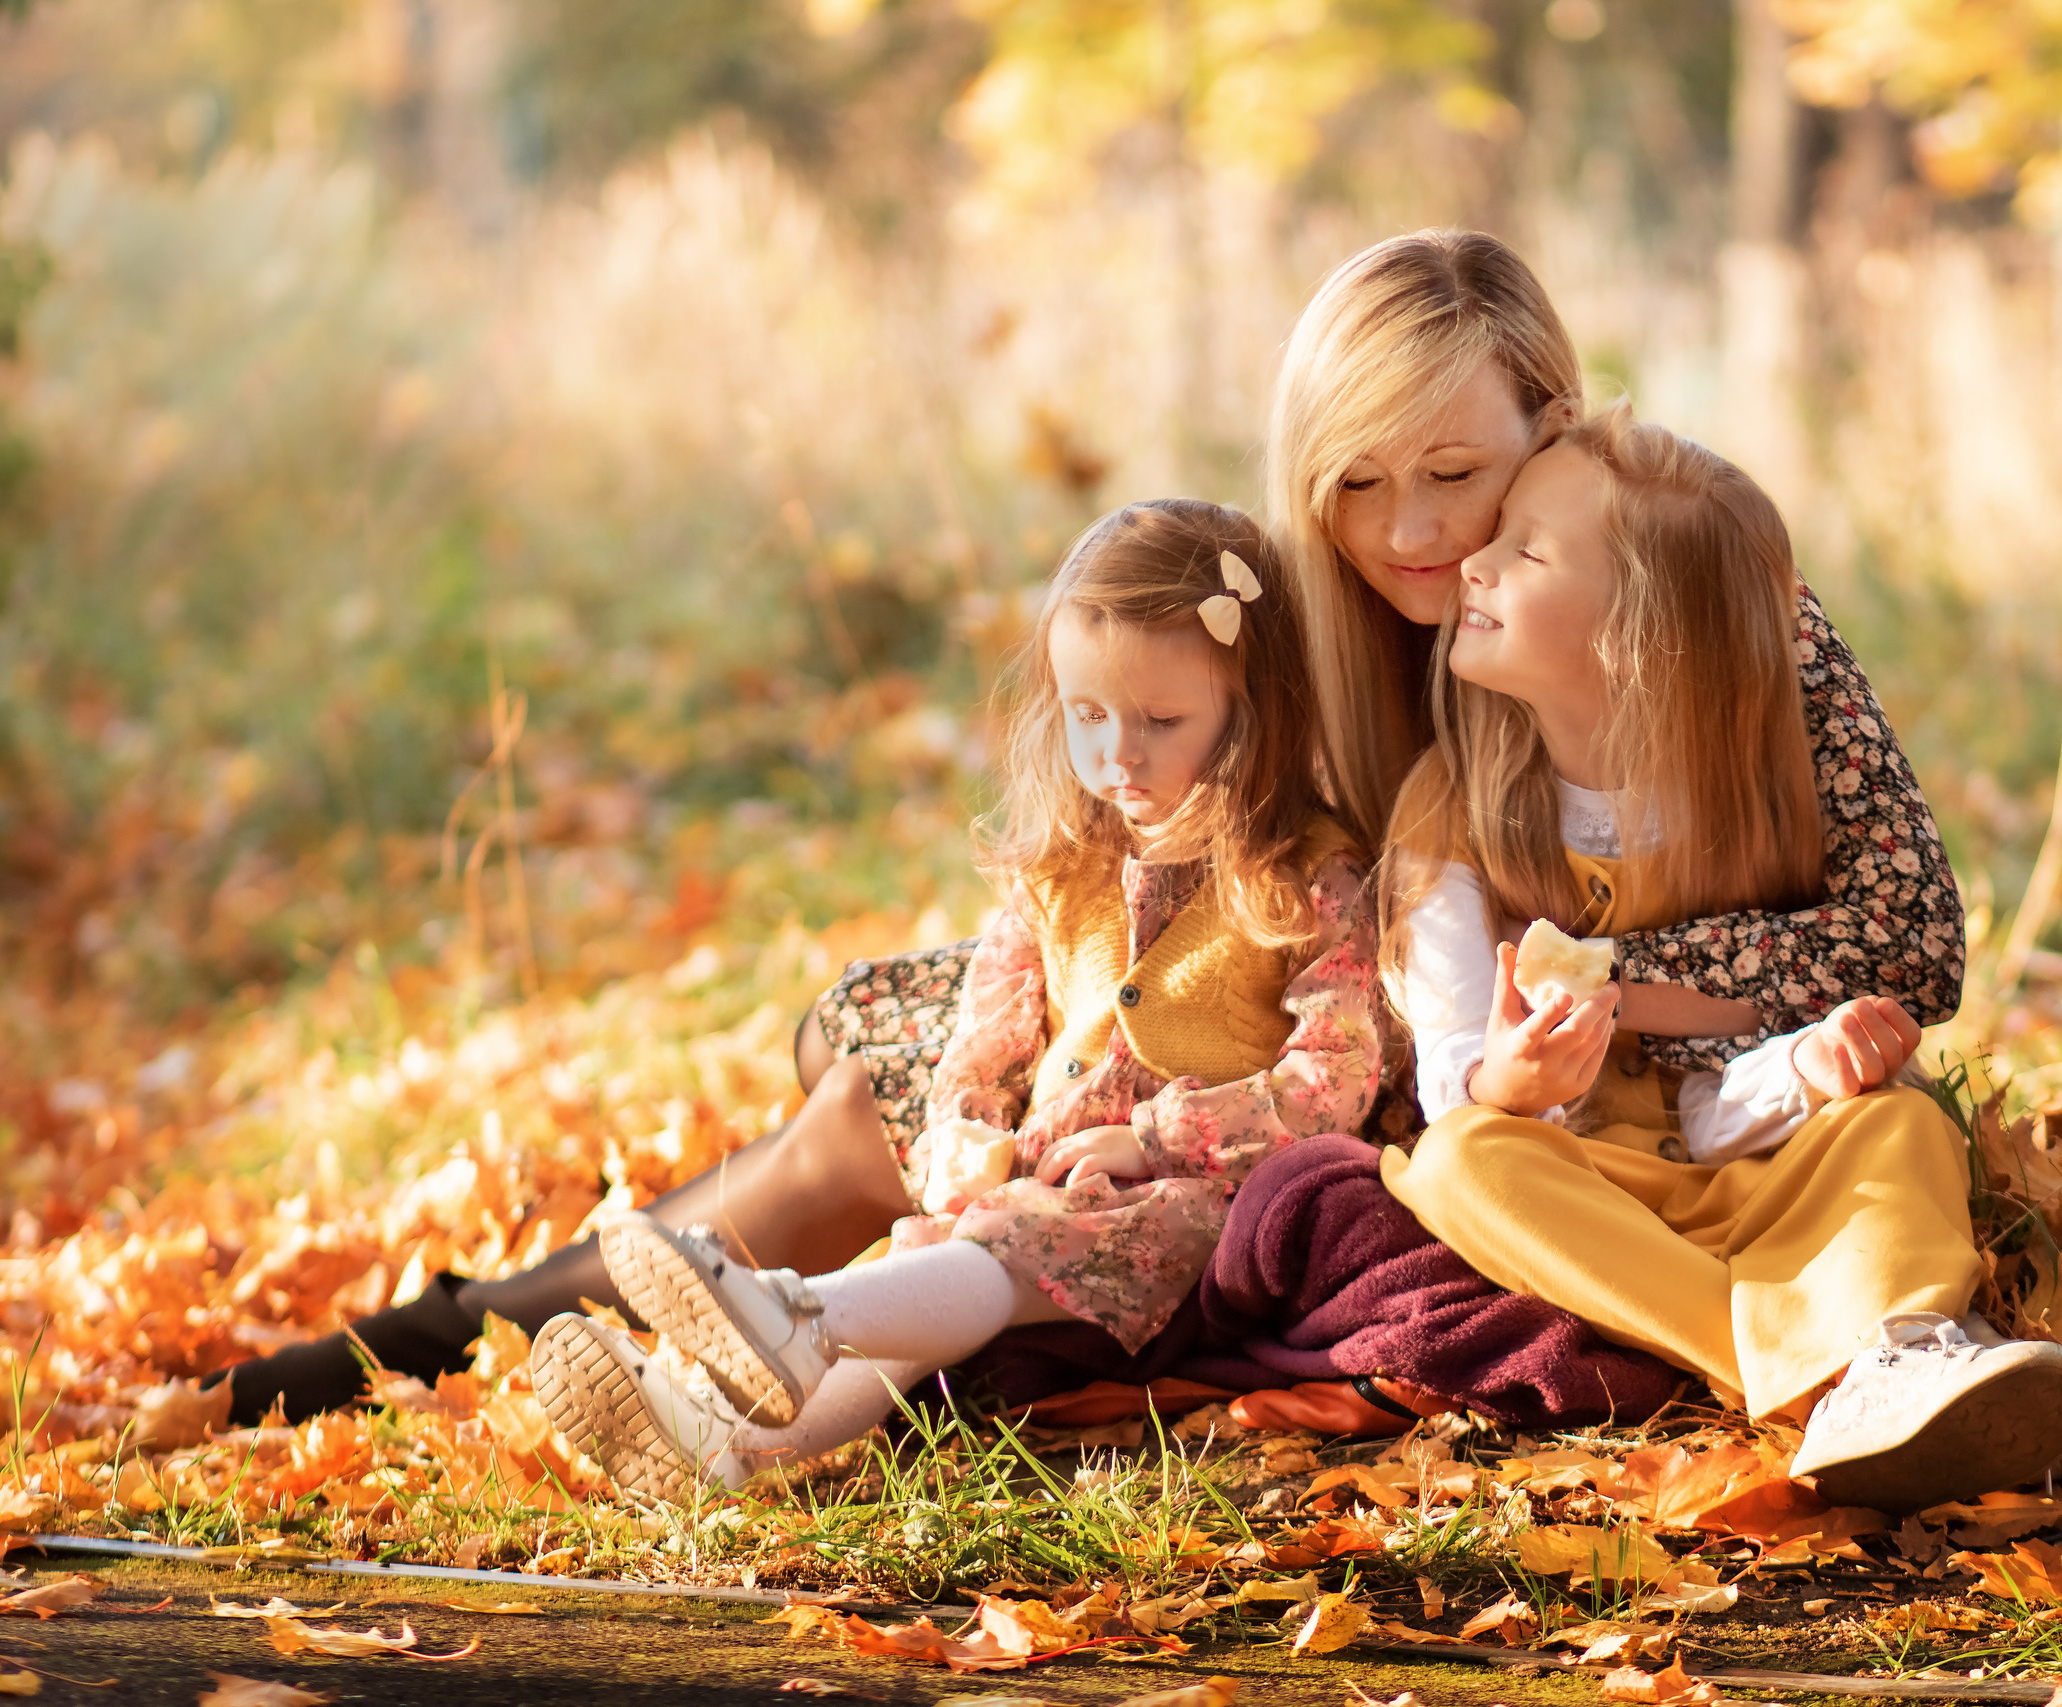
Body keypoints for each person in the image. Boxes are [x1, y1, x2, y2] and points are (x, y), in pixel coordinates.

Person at [206, 227, 1963, 1427]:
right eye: (1361, 481)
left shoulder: (1703, 606)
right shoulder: (1301, 623)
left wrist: (1580, 987)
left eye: (1458, 470)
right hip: (1232, 1018)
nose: (1414, 531)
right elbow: (1187, 862)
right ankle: (468, 1335)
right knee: (858, 1106)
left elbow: (1911, 939)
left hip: (1429, 1096)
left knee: (894, 1150)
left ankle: (619, 1334)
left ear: (1548, 420)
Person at [524, 500, 1385, 1498]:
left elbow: (1335, 1075)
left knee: (995, 1246)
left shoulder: (1304, 877)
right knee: (931, 1263)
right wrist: (962, 1139)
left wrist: (1157, 1141)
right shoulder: (1067, 864)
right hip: (1032, 1182)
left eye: (1162, 723)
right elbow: (987, 1036)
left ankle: (791, 1313)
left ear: (1253, 712)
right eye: (1088, 718)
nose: (1118, 759)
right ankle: (730, 1447)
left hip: (1190, 1205)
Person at [1374, 404, 2062, 1512]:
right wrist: (1510, 1084)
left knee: (1896, 1123)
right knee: (1465, 1161)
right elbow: (1447, 1080)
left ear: (1634, 637)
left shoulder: (1742, 800)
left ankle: (1886, 1346)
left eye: (1524, 550)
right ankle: (1841, 1376)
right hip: (1592, 1186)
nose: (1474, 563)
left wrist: (1810, 1066)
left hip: (1752, 1179)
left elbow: (1719, 1101)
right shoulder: (1451, 816)